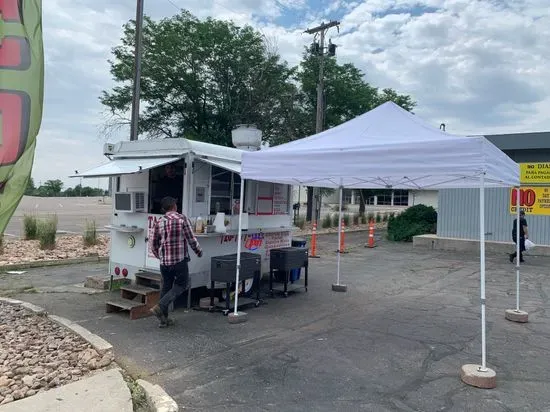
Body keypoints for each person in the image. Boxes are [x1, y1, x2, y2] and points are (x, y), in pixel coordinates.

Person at [150, 196, 203, 327]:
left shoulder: (159, 221)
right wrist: (198, 251)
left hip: (164, 262)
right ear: (174, 206)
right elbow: (191, 238)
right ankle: (160, 306)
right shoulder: (182, 219)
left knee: (166, 287)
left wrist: (159, 256)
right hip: (179, 261)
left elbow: (153, 243)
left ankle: (164, 320)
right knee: (182, 284)